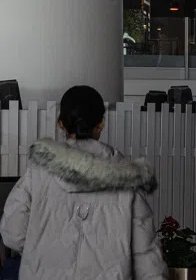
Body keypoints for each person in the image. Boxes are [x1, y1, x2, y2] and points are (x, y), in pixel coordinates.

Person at [0, 85, 167, 279]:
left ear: (60, 124)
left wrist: (41, 251)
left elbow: (13, 235)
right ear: (100, 125)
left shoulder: (37, 174)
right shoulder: (126, 181)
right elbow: (145, 255)